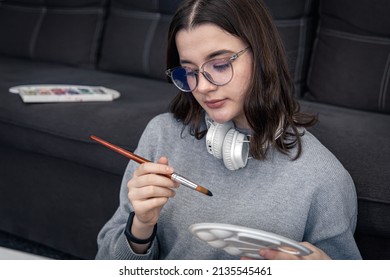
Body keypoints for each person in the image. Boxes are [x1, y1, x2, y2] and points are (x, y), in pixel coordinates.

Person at [95, 0, 361, 260]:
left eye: (220, 65)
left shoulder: (324, 178)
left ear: (262, 55)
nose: (202, 87)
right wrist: (141, 227)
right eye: (189, 71)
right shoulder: (161, 134)